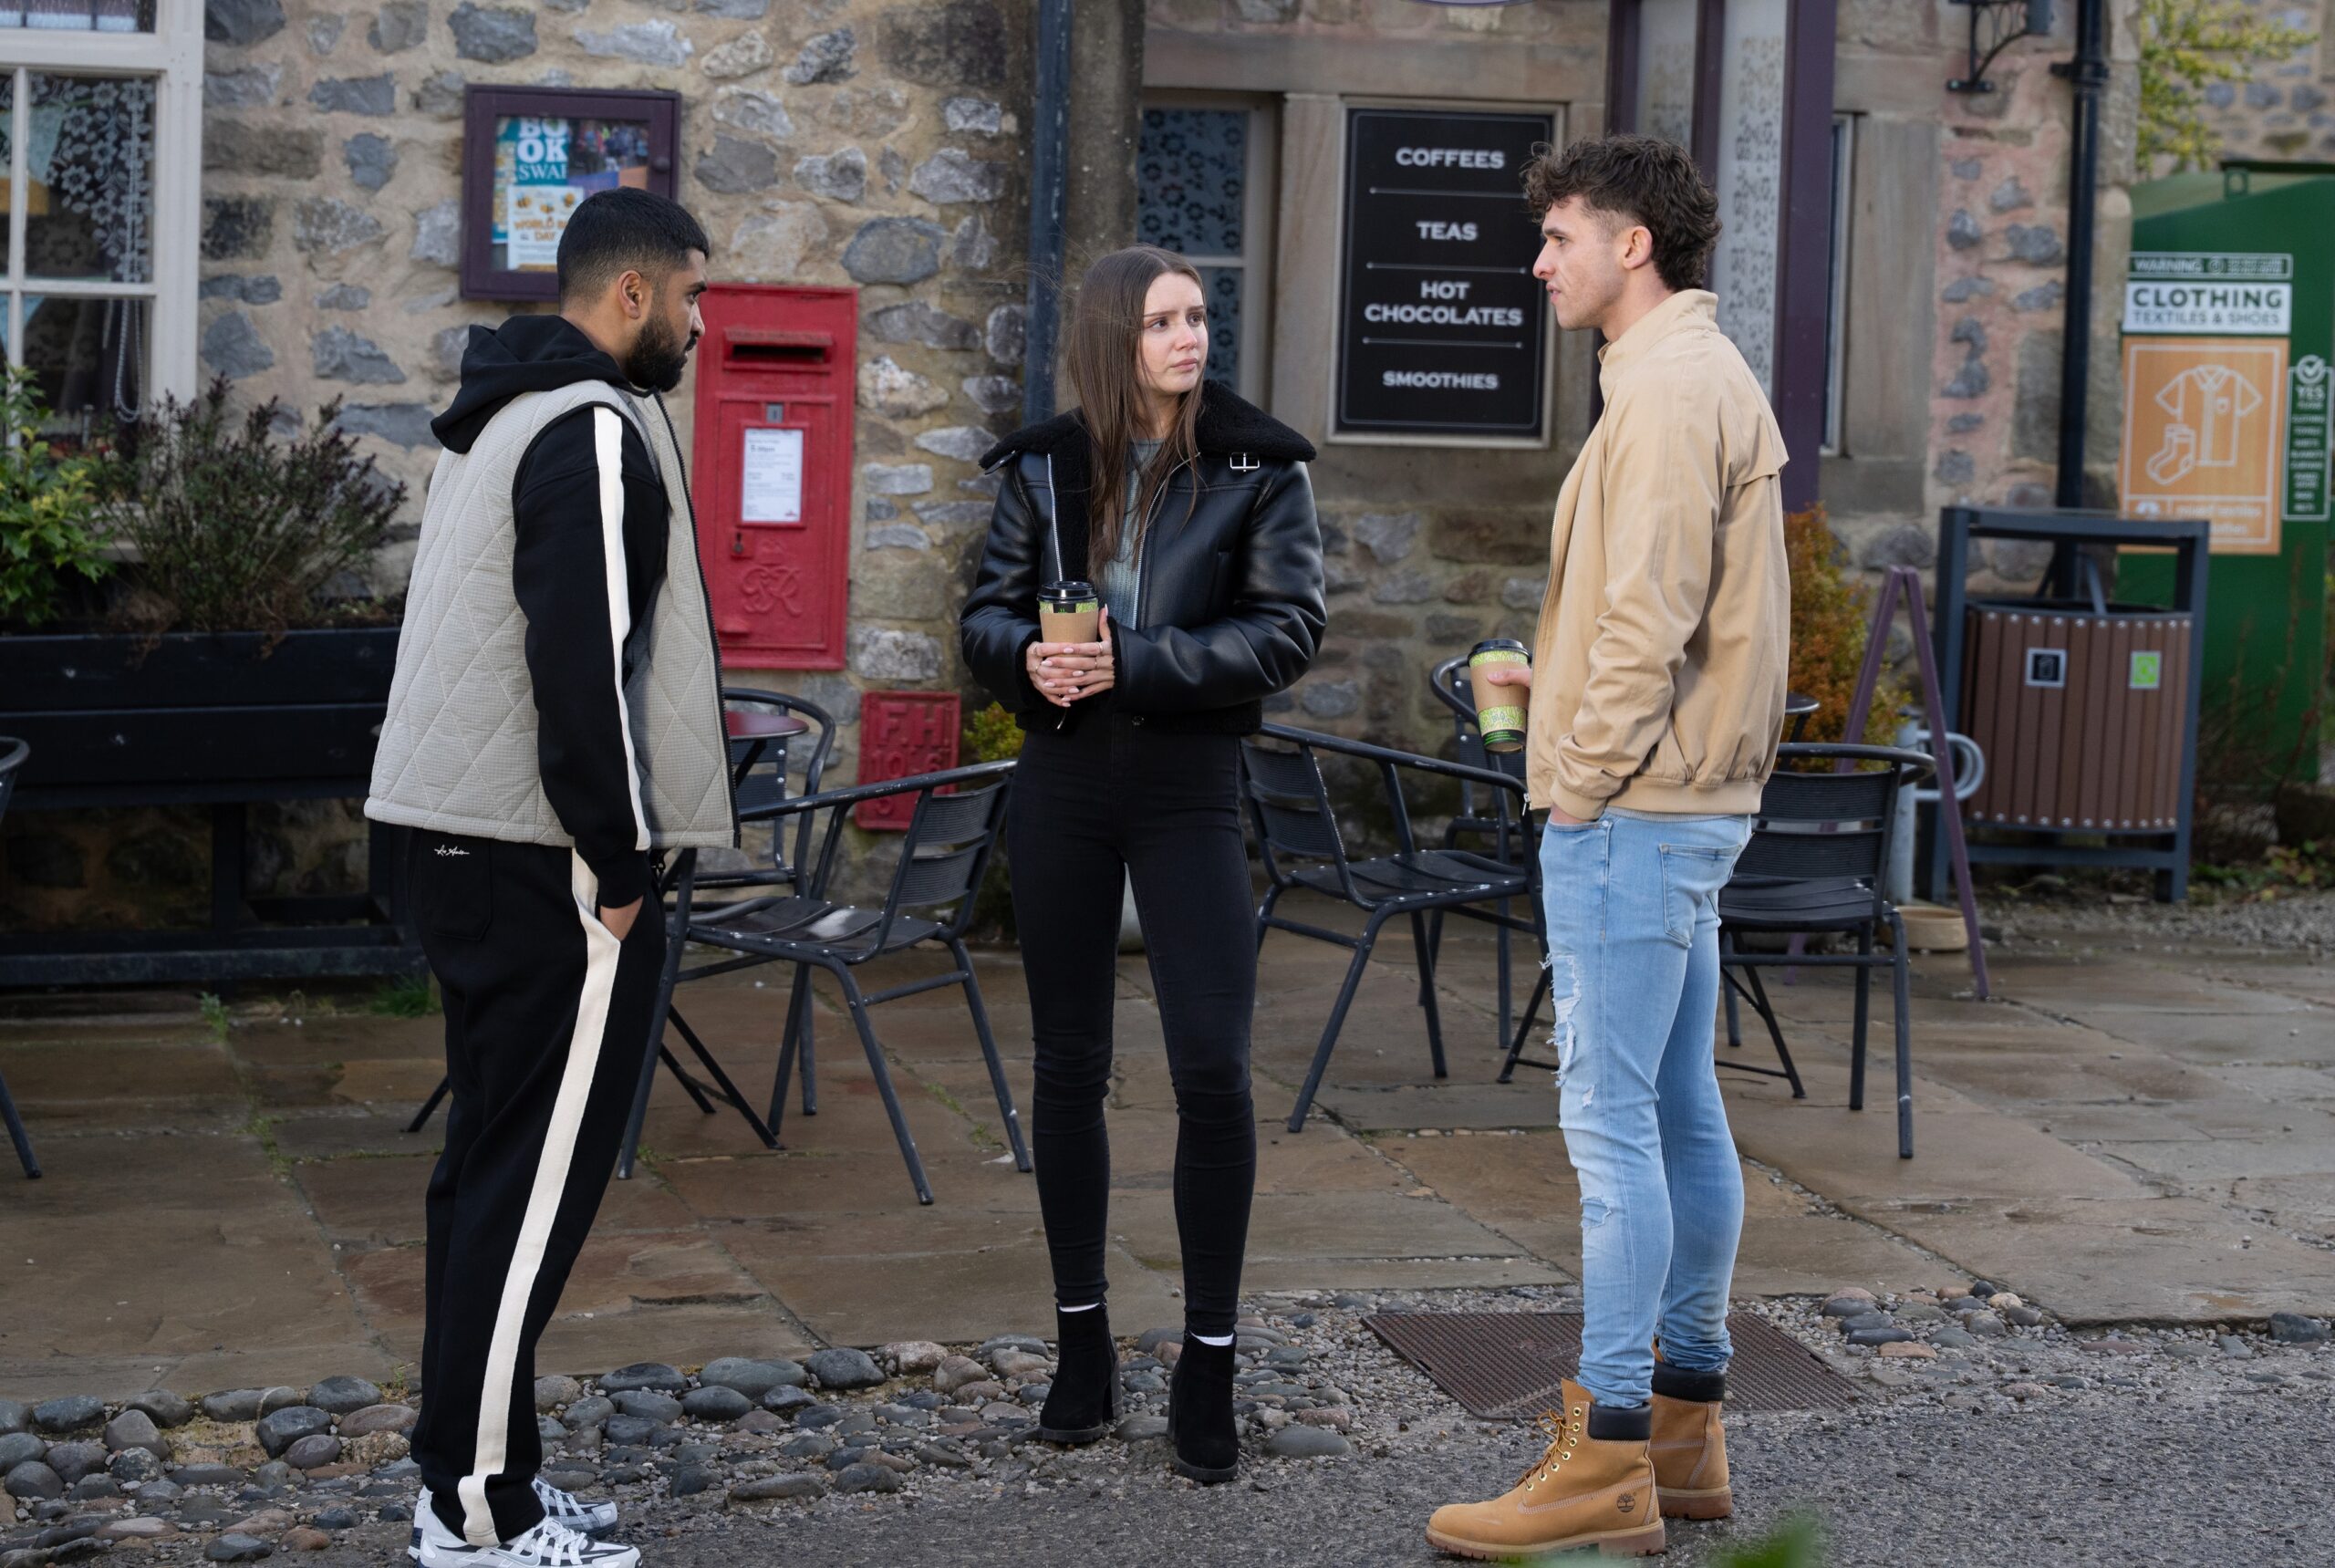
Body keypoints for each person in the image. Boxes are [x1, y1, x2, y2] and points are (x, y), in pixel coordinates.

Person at [1424, 135, 1790, 1561]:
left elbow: (1645, 622)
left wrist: (1571, 779)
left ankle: (1608, 1454)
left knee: (1610, 1129)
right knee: (1680, 1108)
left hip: (1634, 812)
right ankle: (1687, 1423)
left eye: (1560, 236)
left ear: (1631, 243)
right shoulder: (1688, 377)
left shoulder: (1663, 392)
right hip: (1682, 802)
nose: (1540, 262)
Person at [366, 188, 732, 1568]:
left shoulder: (499, 413)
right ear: (630, 296)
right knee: (531, 1185)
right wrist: (625, 861)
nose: (699, 327)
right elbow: (581, 668)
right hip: (542, 863)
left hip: (460, 840)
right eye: (690, 297)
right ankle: (475, 1508)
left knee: (488, 1172)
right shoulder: (585, 426)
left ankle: (481, 1468)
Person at [960, 244, 1326, 1484]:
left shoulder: (1259, 469)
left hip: (1186, 787)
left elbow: (1286, 630)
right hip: (1062, 782)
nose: (1191, 338)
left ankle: (1207, 1364)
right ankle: (1083, 1351)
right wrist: (1029, 662)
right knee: (1067, 1067)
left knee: (1213, 1066)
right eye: (1165, 321)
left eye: (1201, 316)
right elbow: (984, 612)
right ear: (1118, 339)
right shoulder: (1047, 466)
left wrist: (1140, 663)